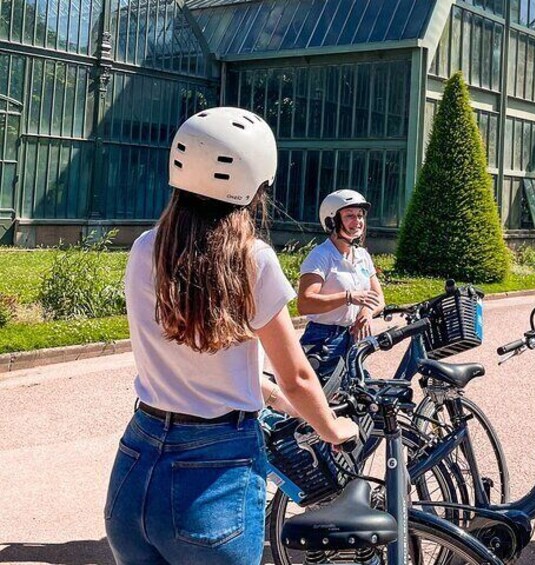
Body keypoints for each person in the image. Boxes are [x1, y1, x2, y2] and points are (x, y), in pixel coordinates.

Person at [104, 107, 358, 565]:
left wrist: (260, 389)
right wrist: (332, 428)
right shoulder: (251, 259)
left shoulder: (147, 247)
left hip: (135, 467)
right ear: (256, 184)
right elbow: (298, 375)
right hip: (214, 469)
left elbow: (177, 350)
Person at [296, 189, 385, 380]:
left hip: (356, 337)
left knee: (361, 400)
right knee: (320, 400)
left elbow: (379, 298)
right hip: (324, 338)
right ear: (332, 221)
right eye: (349, 216)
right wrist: (349, 297)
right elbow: (305, 303)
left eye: (360, 216)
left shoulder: (362, 256)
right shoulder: (320, 256)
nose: (358, 221)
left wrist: (367, 312)